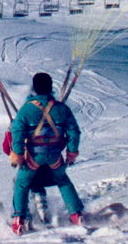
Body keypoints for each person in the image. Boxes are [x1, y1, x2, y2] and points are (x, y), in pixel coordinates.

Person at [8, 71, 84, 234]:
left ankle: (19, 219)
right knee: (62, 180)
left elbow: (17, 132)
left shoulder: (26, 110)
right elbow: (74, 131)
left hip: (33, 157)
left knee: (21, 183)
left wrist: (18, 155)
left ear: (34, 88)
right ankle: (76, 214)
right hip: (55, 156)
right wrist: (71, 152)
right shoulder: (62, 108)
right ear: (50, 87)